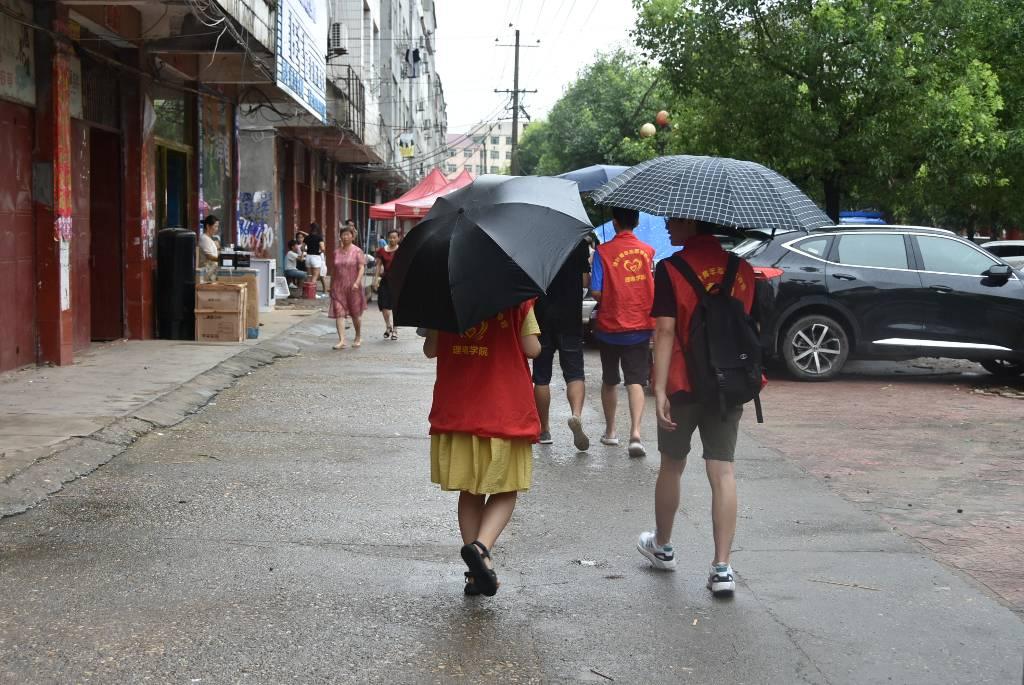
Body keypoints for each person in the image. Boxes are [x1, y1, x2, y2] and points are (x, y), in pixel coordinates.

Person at [636, 218, 755, 599]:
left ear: (693, 220)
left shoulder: (670, 269)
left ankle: (664, 546)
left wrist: (659, 385)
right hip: (729, 384)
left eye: (675, 218)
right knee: (723, 472)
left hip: (683, 383)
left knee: (672, 465)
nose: (668, 224)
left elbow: (666, 330)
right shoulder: (744, 270)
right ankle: (722, 568)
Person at [423, 299, 542, 597]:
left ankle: (476, 575)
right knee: (507, 489)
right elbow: (531, 348)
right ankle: (481, 548)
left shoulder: (443, 297)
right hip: (504, 408)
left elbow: (431, 349)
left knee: (470, 490)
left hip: (459, 408)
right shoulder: (517, 297)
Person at [590, 207, 655, 458]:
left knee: (610, 380)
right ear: (637, 222)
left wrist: (614, 292)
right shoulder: (648, 252)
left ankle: (611, 432)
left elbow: (596, 291)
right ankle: (636, 434)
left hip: (610, 327)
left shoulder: (603, 252)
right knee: (636, 380)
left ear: (614, 223)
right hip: (640, 325)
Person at [532, 238, 591, 449]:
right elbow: (585, 282)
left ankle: (544, 429)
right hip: (570, 319)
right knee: (575, 373)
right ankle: (576, 415)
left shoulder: (534, 243)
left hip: (541, 318)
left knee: (541, 377)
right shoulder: (578, 243)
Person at [328, 225, 367, 349]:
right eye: (343, 235)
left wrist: (357, 282)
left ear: (352, 236)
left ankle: (358, 336)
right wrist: (330, 286)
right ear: (340, 236)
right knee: (339, 313)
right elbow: (333, 270)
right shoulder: (336, 252)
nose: (345, 237)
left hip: (353, 288)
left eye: (347, 234)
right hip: (338, 288)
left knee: (355, 315)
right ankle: (342, 340)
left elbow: (361, 267)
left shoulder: (357, 251)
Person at [373, 229, 401, 340]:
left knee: (396, 306)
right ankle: (388, 326)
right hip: (385, 280)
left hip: (398, 281)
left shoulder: (402, 250)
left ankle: (395, 329)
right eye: (390, 237)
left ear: (398, 238)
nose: (392, 239)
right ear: (387, 238)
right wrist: (375, 279)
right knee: (383, 304)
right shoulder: (381, 251)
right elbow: (379, 266)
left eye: (395, 237)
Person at [304, 223, 327, 295]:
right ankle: (312, 293)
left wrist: (306, 251)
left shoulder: (307, 237)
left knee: (309, 275)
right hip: (316, 257)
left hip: (308, 257)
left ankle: (306, 292)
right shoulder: (319, 237)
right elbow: (323, 248)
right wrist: (319, 252)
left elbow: (302, 248)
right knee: (315, 276)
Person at [196, 214, 220, 282]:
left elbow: (215, 254)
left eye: (217, 227)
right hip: (207, 274)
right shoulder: (204, 238)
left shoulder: (210, 239)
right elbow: (209, 256)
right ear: (208, 226)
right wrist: (222, 259)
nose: (217, 229)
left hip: (212, 273)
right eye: (215, 226)